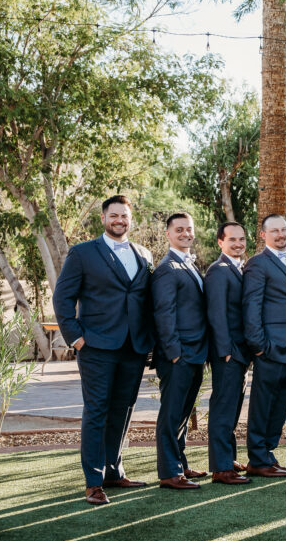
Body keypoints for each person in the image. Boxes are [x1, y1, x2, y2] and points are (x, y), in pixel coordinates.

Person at [53, 195, 156, 505]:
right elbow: (62, 298)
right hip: (96, 345)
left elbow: (146, 301)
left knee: (123, 411)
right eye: (114, 215)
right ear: (103, 218)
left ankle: (114, 470)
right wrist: (76, 337)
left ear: (130, 219)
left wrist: (149, 339)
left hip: (133, 347)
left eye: (124, 216)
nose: (119, 220)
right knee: (97, 412)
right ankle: (93, 482)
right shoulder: (83, 253)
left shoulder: (144, 254)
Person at [242, 214, 286, 478]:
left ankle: (268, 453)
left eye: (284, 230)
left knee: (280, 406)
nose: (281, 235)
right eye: (275, 231)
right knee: (263, 406)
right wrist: (259, 346)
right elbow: (251, 307)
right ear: (263, 235)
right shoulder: (257, 264)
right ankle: (257, 459)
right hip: (270, 350)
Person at [151, 212, 209, 490]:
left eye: (189, 229)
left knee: (183, 413)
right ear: (168, 234)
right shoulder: (166, 268)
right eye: (179, 230)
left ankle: (181, 463)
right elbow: (164, 313)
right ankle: (169, 472)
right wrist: (174, 353)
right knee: (172, 414)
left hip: (194, 353)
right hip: (178, 356)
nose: (186, 233)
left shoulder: (188, 265)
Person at [204, 221, 252, 485]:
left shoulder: (241, 269)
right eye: (232, 239)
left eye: (241, 239)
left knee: (232, 408)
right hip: (228, 353)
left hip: (240, 353)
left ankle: (228, 458)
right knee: (223, 409)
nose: (238, 244)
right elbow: (216, 314)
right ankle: (221, 469)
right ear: (220, 242)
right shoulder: (218, 271)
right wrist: (224, 352)